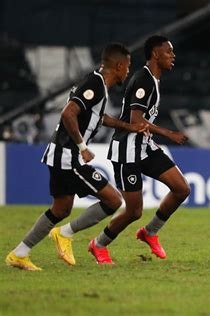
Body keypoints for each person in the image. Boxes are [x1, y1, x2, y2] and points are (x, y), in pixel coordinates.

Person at [5, 43, 148, 271]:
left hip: (60, 154)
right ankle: (64, 234)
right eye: (128, 66)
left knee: (61, 209)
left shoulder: (97, 82)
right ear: (119, 66)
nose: (128, 71)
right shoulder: (95, 84)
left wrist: (127, 126)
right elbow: (68, 113)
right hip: (68, 156)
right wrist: (82, 146)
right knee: (113, 200)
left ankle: (19, 254)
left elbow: (98, 117)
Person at [87, 35, 190, 264]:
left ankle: (150, 232)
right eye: (168, 52)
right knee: (134, 211)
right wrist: (169, 133)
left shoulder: (153, 79)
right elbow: (136, 119)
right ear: (155, 54)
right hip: (127, 150)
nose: (172, 56)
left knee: (181, 189)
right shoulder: (143, 79)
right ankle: (99, 244)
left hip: (144, 146)